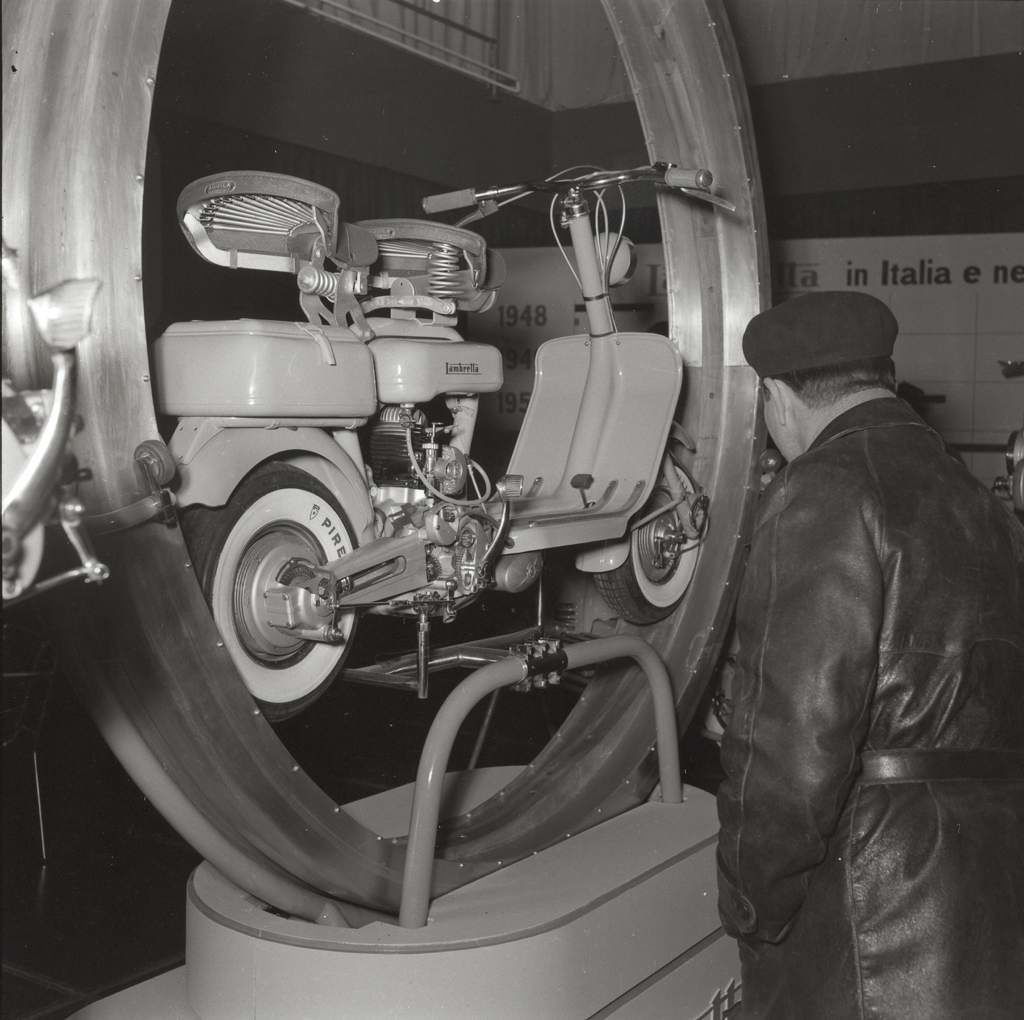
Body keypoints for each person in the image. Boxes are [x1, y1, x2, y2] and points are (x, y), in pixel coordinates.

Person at [716, 290, 1024, 1019]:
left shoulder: (823, 489)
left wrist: (750, 902)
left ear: (775, 397)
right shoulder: (980, 504)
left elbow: (792, 738)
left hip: (871, 916)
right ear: (883, 377)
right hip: (986, 901)